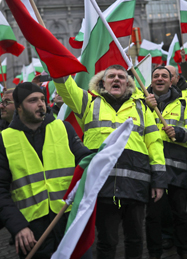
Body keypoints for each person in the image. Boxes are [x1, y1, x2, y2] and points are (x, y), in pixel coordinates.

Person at [53, 65, 165, 259]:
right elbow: (65, 86)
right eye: (111, 76)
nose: (116, 79)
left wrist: (159, 180)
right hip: (102, 187)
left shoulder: (142, 107)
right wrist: (56, 60)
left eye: (121, 77)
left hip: (136, 186)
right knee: (106, 242)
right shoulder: (88, 102)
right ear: (102, 83)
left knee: (135, 240)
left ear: (128, 83)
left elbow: (154, 144)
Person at [0, 82, 92, 259]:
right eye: (33, 100)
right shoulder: (4, 140)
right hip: (32, 229)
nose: (41, 104)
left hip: (68, 219)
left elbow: (85, 163)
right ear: (19, 107)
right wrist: (18, 226)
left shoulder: (63, 128)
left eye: (42, 99)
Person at [144, 66, 187, 259]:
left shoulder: (183, 103)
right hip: (152, 168)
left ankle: (185, 250)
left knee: (179, 213)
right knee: (153, 216)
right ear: (151, 81)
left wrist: (180, 133)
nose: (159, 79)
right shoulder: (140, 103)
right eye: (156, 76)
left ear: (172, 81)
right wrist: (145, 106)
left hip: (178, 168)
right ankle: (154, 253)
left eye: (164, 76)